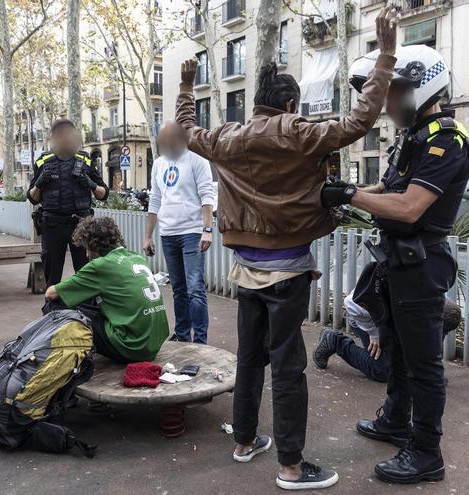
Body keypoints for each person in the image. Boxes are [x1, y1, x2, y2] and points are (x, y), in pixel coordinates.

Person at [175, 6, 398, 490]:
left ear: (256, 103)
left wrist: (187, 88)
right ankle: (292, 468)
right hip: (288, 269)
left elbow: (189, 133)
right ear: (292, 104)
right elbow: (360, 121)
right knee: (289, 367)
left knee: (250, 357)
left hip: (244, 270)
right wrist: (384, 58)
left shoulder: (226, 137)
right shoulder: (298, 132)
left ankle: (245, 441)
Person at [321, 44, 469, 484]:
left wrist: (350, 195)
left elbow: (407, 208)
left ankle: (427, 453)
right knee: (399, 354)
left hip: (421, 264)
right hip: (397, 263)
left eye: (392, 92)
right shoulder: (412, 138)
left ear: (419, 88)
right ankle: (394, 421)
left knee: (424, 365)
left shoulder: (447, 141)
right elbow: (385, 191)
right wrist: (353, 190)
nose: (386, 102)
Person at [45, 216, 169, 363]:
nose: (86, 254)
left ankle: (65, 357)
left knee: (53, 305)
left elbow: (51, 293)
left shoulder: (100, 265)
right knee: (88, 297)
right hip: (153, 344)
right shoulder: (137, 257)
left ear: (94, 246)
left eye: (86, 248)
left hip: (132, 347)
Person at [143, 121, 215, 344]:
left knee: (195, 289)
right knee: (179, 289)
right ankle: (183, 335)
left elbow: (207, 196)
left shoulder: (197, 160)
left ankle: (201, 341)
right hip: (168, 233)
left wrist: (207, 230)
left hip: (192, 232)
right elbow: (155, 199)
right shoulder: (158, 164)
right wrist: (148, 236)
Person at [313, 291, 463, 383]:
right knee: (383, 370)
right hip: (367, 319)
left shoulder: (433, 296)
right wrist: (374, 333)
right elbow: (351, 303)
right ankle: (336, 341)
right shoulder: (400, 297)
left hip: (394, 321)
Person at [27, 118, 108, 286]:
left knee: (86, 276)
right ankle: (52, 310)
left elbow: (103, 194)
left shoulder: (85, 160)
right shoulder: (43, 161)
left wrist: (90, 184)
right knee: (52, 277)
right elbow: (32, 197)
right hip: (52, 226)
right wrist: (39, 183)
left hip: (81, 225)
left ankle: (86, 310)